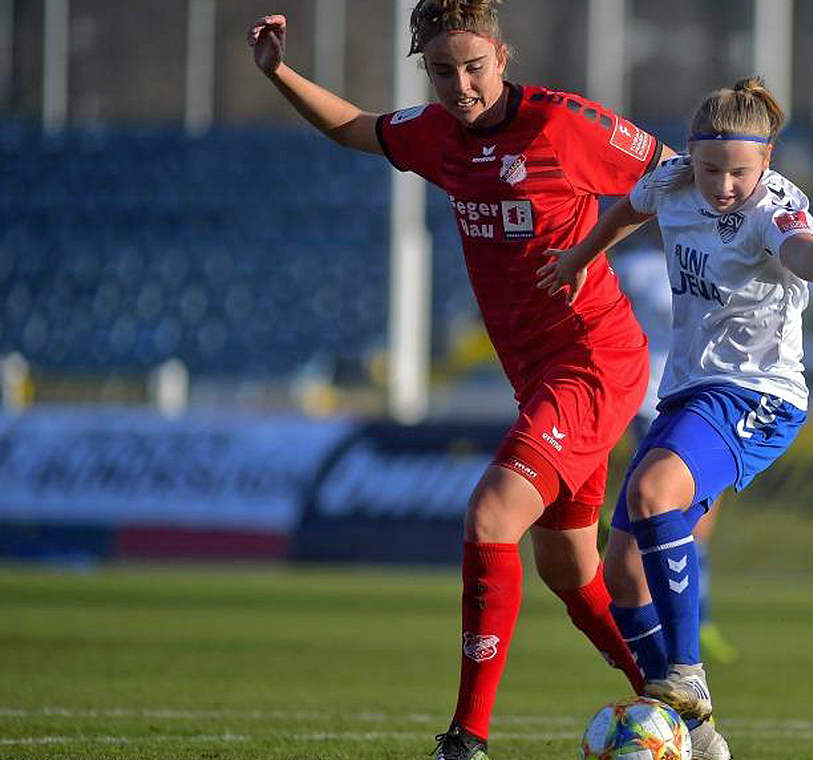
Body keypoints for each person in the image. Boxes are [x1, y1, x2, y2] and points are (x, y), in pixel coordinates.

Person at [247, 3, 680, 759]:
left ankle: (466, 739)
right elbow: (354, 126)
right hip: (538, 374)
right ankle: (677, 706)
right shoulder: (437, 134)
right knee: (570, 574)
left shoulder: (563, 124)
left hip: (594, 361)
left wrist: (602, 246)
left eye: (473, 66)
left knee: (489, 516)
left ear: (502, 55)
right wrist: (279, 71)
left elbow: (671, 173)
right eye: (442, 71)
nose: (461, 85)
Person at [539, 77, 813, 760]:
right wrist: (581, 259)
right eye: (712, 170)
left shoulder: (779, 203)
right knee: (620, 576)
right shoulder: (672, 180)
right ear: (692, 159)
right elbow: (625, 211)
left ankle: (686, 676)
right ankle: (699, 740)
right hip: (689, 392)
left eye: (740, 172)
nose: (725, 185)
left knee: (651, 495)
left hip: (759, 395)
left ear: (766, 164)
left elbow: (798, 250)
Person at [613, 251, 740, 665]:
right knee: (659, 506)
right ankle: (681, 633)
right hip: (652, 397)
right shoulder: (635, 267)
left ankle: (695, 625)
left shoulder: (713, 250)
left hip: (707, 395)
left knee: (699, 524)